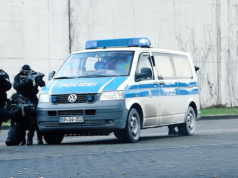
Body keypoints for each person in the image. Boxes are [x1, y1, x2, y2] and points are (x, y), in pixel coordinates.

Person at [13, 65, 45, 145]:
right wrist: (26, 82)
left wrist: (38, 79)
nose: (26, 73)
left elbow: (42, 84)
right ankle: (23, 139)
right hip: (22, 99)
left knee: (35, 119)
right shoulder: (18, 76)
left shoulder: (34, 75)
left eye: (28, 71)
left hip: (33, 99)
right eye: (25, 71)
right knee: (21, 120)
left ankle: (36, 138)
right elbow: (16, 86)